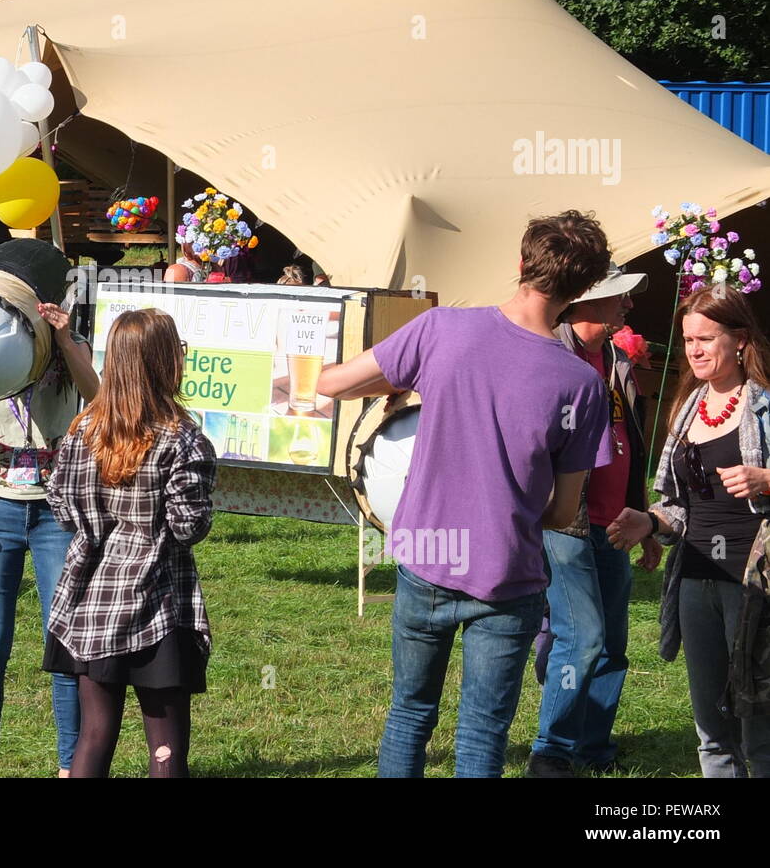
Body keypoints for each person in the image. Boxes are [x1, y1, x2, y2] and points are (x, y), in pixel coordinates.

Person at [317, 210, 613, 778]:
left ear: (521, 263)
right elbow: (562, 511)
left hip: (427, 557)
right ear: (584, 290)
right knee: (482, 733)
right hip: (509, 570)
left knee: (408, 714)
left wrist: (410, 373)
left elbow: (333, 383)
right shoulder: (581, 384)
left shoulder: (440, 331)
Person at [43, 308, 216, 778]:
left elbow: (61, 508)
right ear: (164, 363)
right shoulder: (182, 439)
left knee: (94, 736)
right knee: (165, 748)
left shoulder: (82, 432)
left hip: (93, 598)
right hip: (159, 603)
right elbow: (188, 527)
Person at [608, 285, 770, 777]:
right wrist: (649, 521)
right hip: (695, 581)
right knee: (712, 726)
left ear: (739, 339)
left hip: (753, 585)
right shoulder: (687, 407)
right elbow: (679, 505)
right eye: (687, 340)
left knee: (757, 721)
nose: (694, 350)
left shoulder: (764, 408)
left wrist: (767, 478)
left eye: (705, 338)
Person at [0, 293, 100, 778]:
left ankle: (69, 767)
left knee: (64, 646)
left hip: (57, 514)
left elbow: (98, 399)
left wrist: (64, 337)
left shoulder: (69, 347)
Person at [527, 263, 661, 777]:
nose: (628, 306)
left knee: (612, 646)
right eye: (620, 297)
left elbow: (631, 447)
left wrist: (645, 518)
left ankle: (593, 746)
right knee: (580, 638)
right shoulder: (552, 353)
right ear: (586, 300)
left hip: (616, 523)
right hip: (565, 521)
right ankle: (551, 752)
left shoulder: (615, 359)